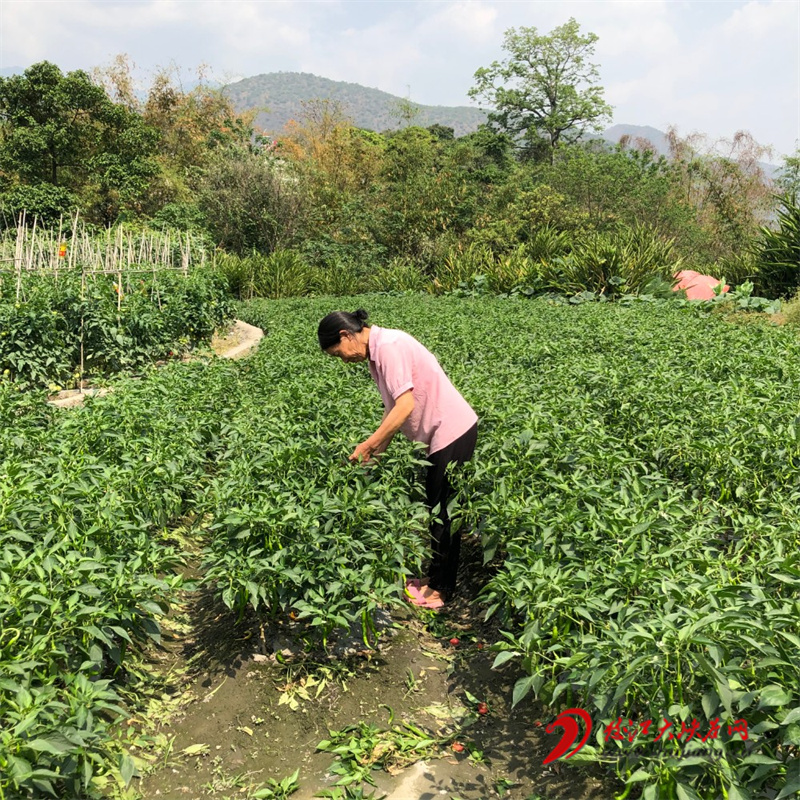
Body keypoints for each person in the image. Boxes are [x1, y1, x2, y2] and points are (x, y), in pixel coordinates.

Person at [318, 309, 478, 610]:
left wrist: (371, 441)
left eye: (339, 354)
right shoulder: (376, 356)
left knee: (444, 513)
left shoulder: (389, 347)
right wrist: (377, 450)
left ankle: (441, 590)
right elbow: (394, 409)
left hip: (453, 430)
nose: (344, 360)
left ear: (345, 335)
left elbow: (405, 405)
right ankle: (433, 580)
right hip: (441, 433)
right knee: (436, 508)